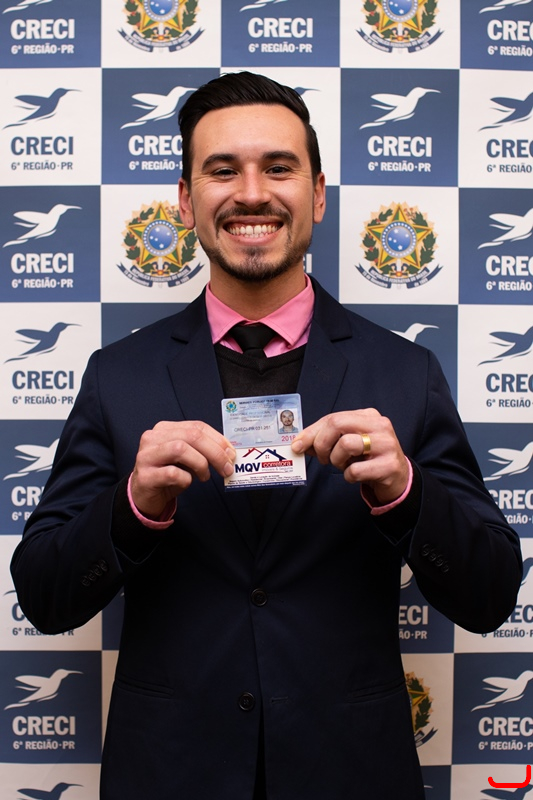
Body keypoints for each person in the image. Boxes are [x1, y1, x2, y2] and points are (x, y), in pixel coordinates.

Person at [11, 72, 521, 800]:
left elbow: (491, 595)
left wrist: (405, 492)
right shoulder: (117, 377)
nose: (251, 194)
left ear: (317, 193)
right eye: (222, 171)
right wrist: (133, 506)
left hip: (350, 775)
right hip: (170, 775)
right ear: (186, 199)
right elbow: (43, 596)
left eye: (278, 167)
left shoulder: (404, 373)